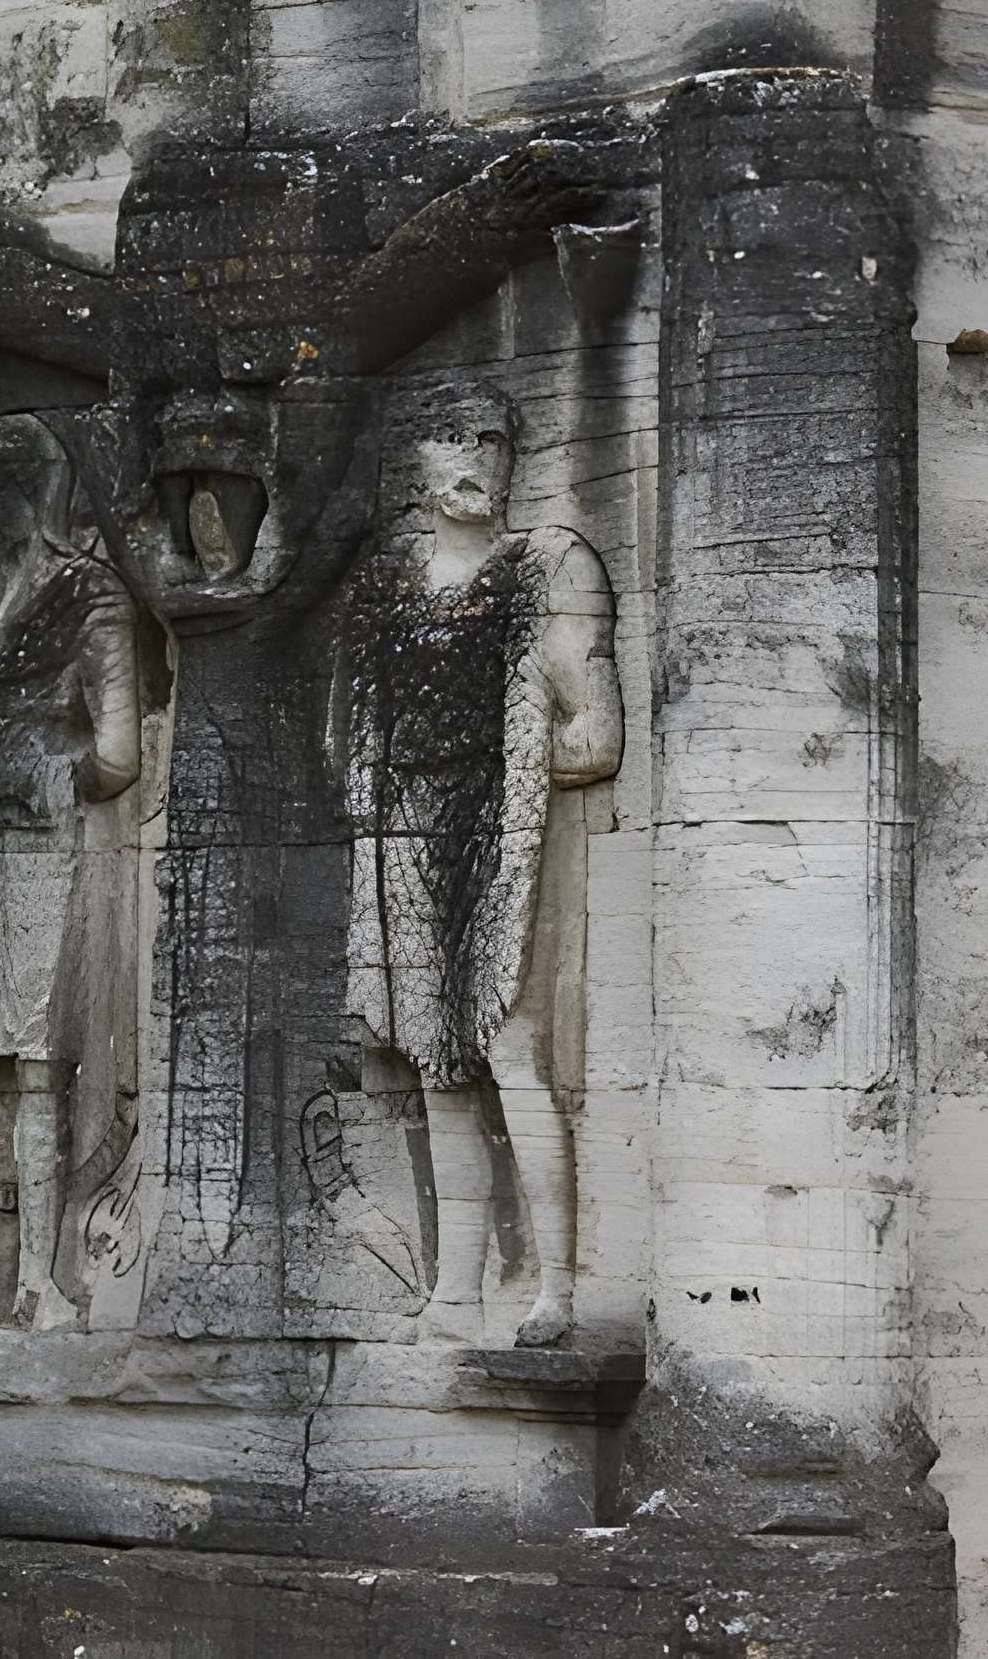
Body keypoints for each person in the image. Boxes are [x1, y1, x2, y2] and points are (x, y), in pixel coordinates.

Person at [336, 385, 621, 1346]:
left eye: (494, 438)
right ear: (415, 459)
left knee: (513, 1054)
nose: (477, 455)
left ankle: (557, 1293)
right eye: (453, 437)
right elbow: (349, 742)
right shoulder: (386, 584)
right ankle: (457, 1291)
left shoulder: (547, 568)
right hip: (409, 833)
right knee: (435, 1066)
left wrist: (513, 767)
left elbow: (597, 735)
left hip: (504, 838)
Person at [0, 416, 144, 1329]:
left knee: (39, 1060)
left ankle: (46, 1280)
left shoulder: (88, 596)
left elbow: (119, 753)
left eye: (5, 473)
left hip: (46, 843)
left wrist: (46, 776)